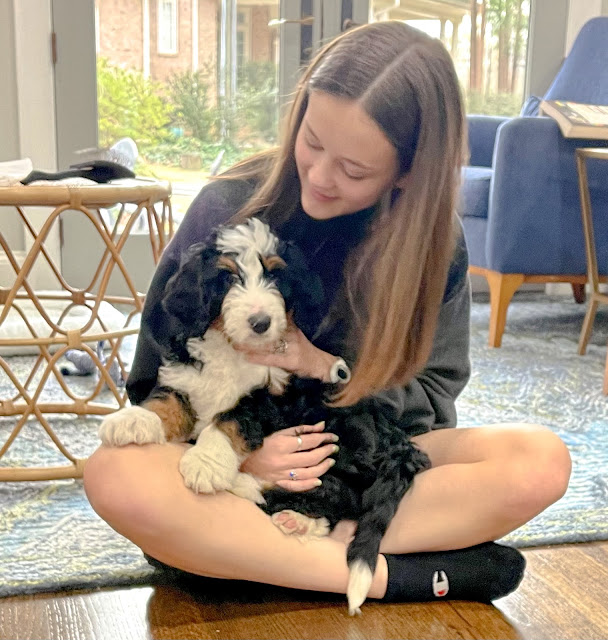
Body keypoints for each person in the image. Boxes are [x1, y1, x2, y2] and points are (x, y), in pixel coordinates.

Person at [84, 21, 571, 605]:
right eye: (312, 140)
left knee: (541, 462)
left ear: (409, 171)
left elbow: (434, 399)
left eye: (354, 170)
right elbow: (153, 382)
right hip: (225, 466)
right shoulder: (229, 207)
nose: (318, 176)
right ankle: (399, 575)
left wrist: (325, 372)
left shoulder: (434, 240)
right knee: (113, 474)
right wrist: (247, 451)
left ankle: (260, 556)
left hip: (356, 464)